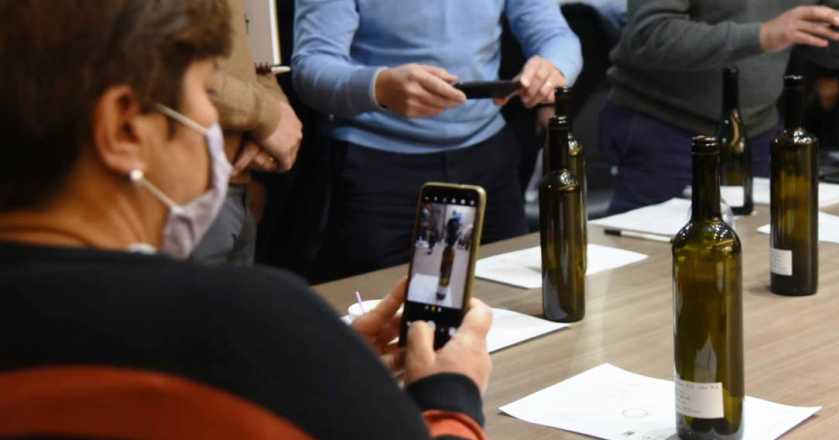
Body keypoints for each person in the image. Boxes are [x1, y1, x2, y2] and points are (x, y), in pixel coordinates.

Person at [0, 1, 492, 439]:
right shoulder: (248, 326)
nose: (214, 125)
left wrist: (325, 366)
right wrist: (451, 400)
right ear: (125, 128)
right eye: (206, 88)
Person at [292, 0, 583, 282]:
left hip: (487, 159)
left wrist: (554, 67)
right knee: (382, 313)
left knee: (509, 305)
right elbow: (312, 65)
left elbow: (556, 37)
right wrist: (379, 86)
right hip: (379, 168)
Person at [601, 1, 839, 214]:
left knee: (755, 261)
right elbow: (650, 35)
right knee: (653, 271)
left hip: (757, 130)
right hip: (668, 127)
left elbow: (819, 27)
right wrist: (763, 35)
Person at [191, 0, 304, 265]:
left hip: (237, 183)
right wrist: (266, 116)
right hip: (175, 189)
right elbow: (161, 64)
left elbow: (258, 59)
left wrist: (275, 116)